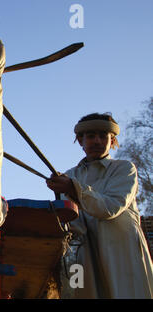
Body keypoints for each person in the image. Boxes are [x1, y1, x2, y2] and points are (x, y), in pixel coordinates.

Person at [46, 112, 153, 298]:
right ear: (80, 141)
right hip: (83, 259)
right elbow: (72, 226)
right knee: (78, 291)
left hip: (121, 254)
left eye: (103, 136)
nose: (97, 141)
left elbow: (110, 208)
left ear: (112, 141)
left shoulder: (125, 169)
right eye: (90, 136)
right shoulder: (70, 176)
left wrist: (73, 189)